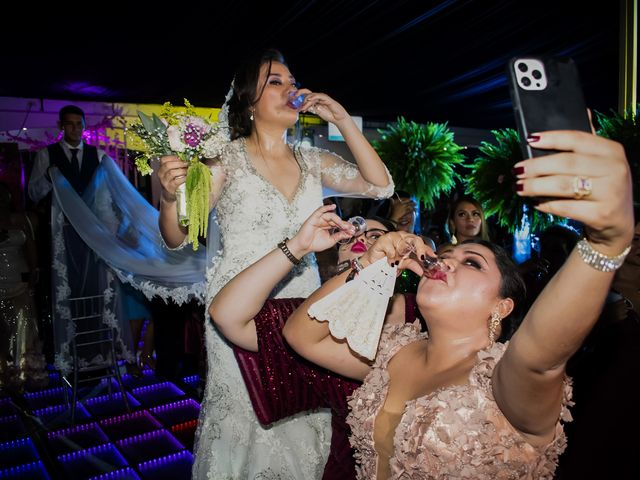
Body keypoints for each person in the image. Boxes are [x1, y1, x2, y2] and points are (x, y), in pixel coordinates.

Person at [283, 130, 634, 478]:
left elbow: (540, 356)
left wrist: (604, 245)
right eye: (446, 254)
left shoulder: (504, 378)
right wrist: (371, 260)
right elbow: (301, 335)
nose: (447, 261)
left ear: (503, 306)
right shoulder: (393, 351)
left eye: (472, 263)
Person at [157, 49, 394, 478]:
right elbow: (177, 237)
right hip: (238, 309)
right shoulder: (224, 160)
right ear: (248, 101)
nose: (291, 88)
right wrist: (171, 198)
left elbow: (381, 186)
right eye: (275, 82)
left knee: (304, 409)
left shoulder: (310, 159)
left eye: (292, 80)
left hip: (301, 301)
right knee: (247, 423)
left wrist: (340, 118)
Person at [210, 205, 425, 479]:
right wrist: (299, 246)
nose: (360, 241)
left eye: (375, 236)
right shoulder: (315, 321)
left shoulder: (425, 310)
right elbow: (226, 315)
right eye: (349, 237)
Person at [0, 183, 47, 391]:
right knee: (3, 330)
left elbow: (32, 252)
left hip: (20, 281)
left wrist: (31, 280)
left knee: (24, 326)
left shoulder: (21, 220)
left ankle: (23, 372)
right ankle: (5, 373)